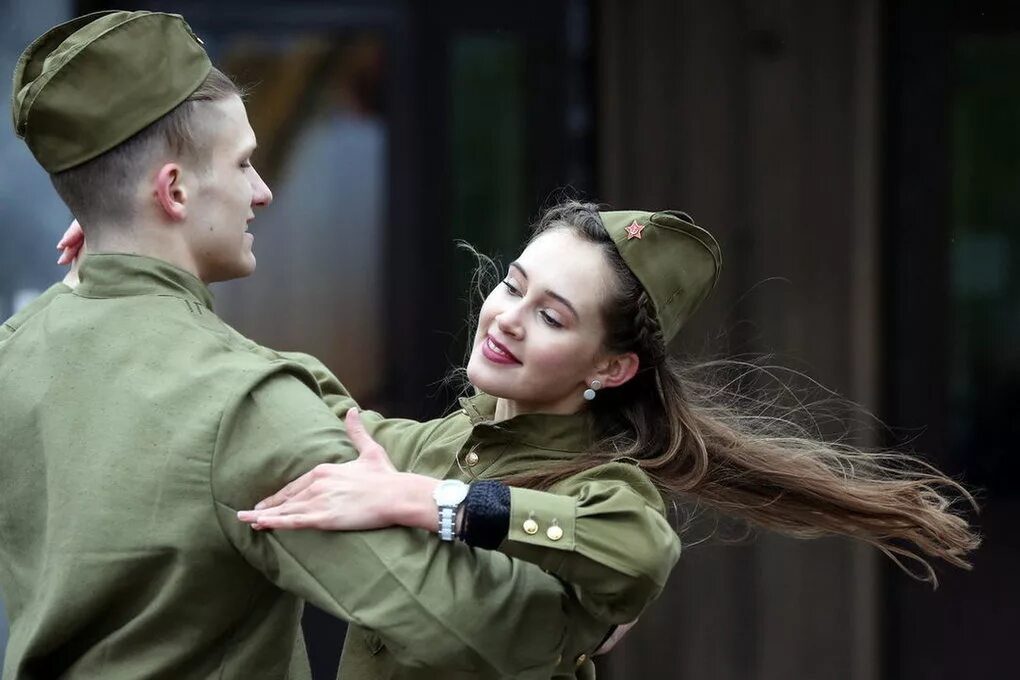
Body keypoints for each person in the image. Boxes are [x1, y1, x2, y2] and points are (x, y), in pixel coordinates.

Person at [0, 11, 599, 679]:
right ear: (172, 190)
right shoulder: (245, 405)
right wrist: (592, 606)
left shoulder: (14, 354)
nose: (262, 191)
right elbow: (481, 628)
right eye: (244, 163)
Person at [233, 200, 981, 679]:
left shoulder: (602, 482)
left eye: (553, 316)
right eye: (514, 284)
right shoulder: (425, 445)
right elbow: (312, 407)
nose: (507, 317)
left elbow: (640, 549)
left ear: (612, 366)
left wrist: (433, 502)